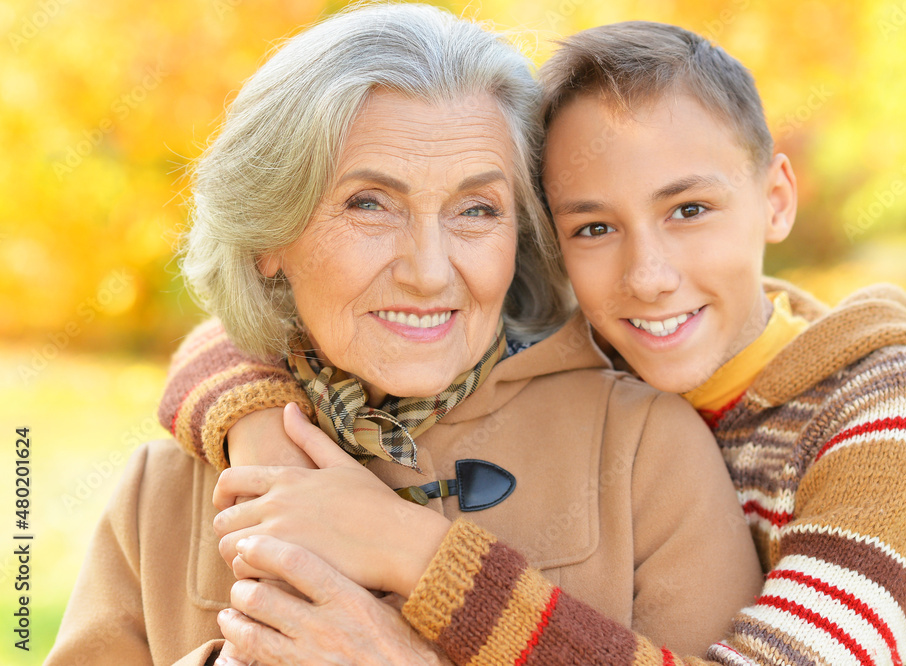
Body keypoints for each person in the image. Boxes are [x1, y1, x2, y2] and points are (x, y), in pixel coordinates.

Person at [161, 18, 906, 666]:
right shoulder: (607, 353)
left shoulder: (896, 425)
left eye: (690, 210)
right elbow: (284, 321)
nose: (649, 276)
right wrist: (261, 431)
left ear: (777, 199)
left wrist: (415, 554)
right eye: (594, 226)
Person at [44, 6, 764, 665]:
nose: (428, 271)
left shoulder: (644, 451)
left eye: (476, 209)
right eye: (370, 204)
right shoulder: (167, 487)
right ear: (270, 238)